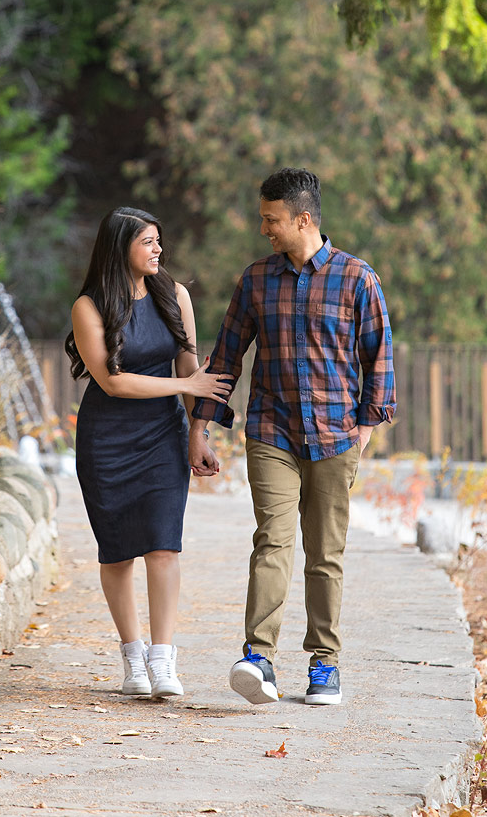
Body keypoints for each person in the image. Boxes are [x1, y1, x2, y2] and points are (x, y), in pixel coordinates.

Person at [190, 168, 396, 706]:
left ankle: (324, 663)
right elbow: (226, 357)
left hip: (335, 437)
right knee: (272, 541)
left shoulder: (357, 278)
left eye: (271, 220)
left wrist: (365, 428)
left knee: (325, 554)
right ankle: (258, 658)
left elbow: (379, 357)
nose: (264, 229)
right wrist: (200, 426)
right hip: (272, 433)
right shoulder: (255, 280)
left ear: (303, 219)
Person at [66, 207, 230, 699]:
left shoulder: (175, 295)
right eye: (148, 242)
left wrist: (198, 433)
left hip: (163, 434)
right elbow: (112, 382)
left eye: (159, 241)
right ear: (121, 248)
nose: (158, 250)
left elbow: (190, 368)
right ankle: (133, 656)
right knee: (117, 552)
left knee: (163, 544)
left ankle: (163, 658)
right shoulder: (89, 307)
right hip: (107, 439)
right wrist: (186, 385)